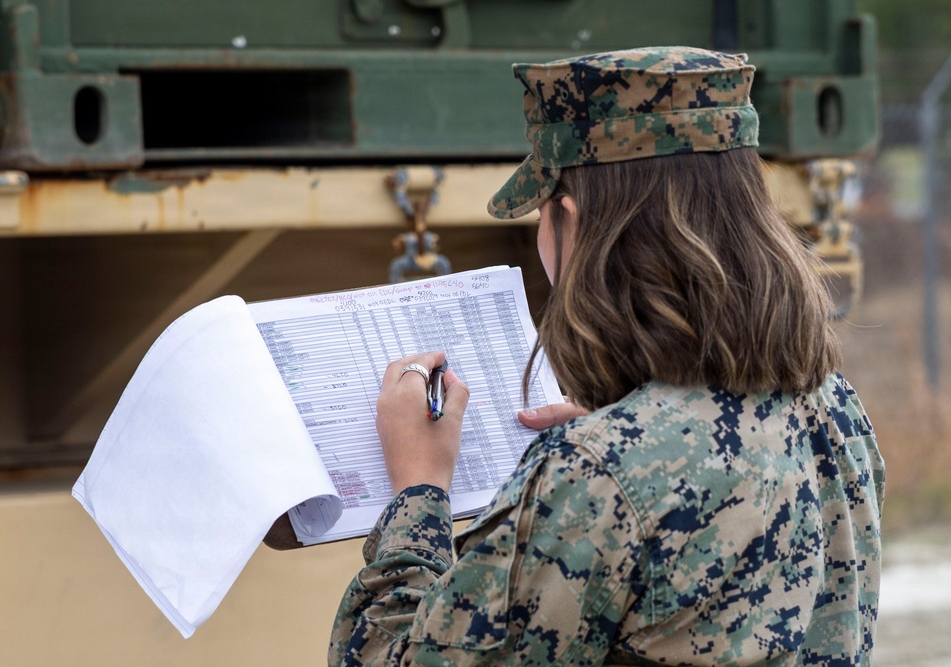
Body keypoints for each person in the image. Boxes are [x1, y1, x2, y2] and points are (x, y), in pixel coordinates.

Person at [328, 46, 884, 666]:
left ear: (570, 216)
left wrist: (418, 492)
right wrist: (615, 441)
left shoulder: (595, 476)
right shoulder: (834, 409)